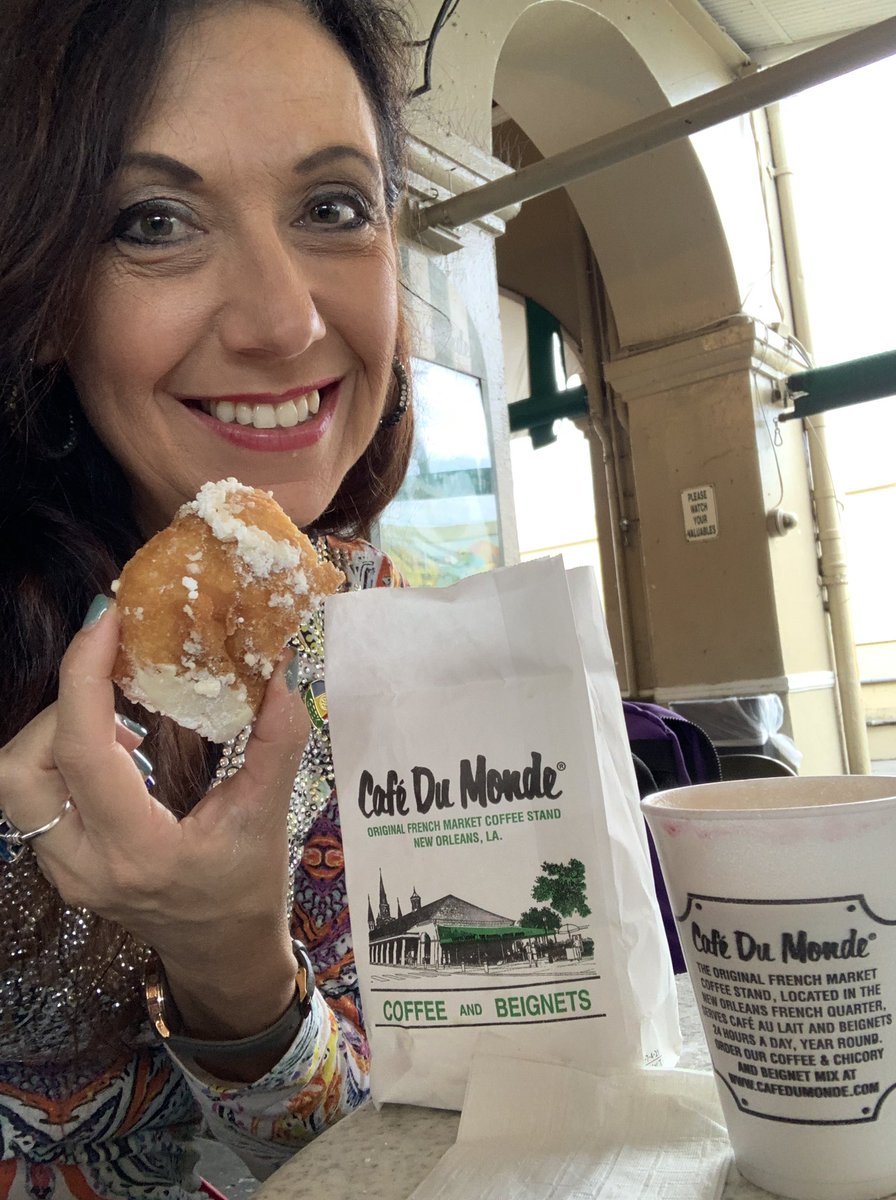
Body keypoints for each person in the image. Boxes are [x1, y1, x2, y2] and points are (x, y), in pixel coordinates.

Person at [0, 1, 415, 1196]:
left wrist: (235, 970)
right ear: (43, 293)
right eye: (155, 222)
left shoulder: (405, 642)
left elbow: (435, 1137)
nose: (286, 323)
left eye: (333, 207)